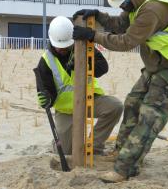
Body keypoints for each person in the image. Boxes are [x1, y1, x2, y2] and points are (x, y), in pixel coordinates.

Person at [72, 0, 168, 182]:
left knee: (150, 114)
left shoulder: (152, 9)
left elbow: (126, 41)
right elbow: (121, 24)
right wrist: (99, 16)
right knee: (132, 102)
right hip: (156, 59)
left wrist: (94, 36)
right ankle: (122, 151)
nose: (121, 7)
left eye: (122, 3)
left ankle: (125, 168)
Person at [34, 16, 123, 155]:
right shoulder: (45, 61)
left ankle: (94, 146)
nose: (62, 50)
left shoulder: (84, 46)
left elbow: (102, 68)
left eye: (66, 47)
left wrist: (83, 62)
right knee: (66, 151)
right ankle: (62, 141)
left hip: (89, 100)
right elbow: (47, 91)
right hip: (66, 110)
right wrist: (46, 98)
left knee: (115, 107)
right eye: (59, 47)